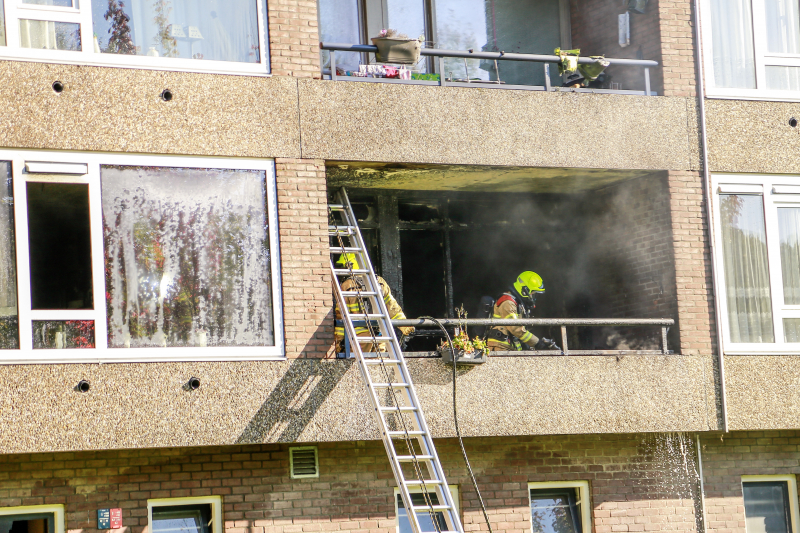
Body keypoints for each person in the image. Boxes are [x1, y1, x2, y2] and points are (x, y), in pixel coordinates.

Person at [334, 253, 414, 353]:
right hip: (380, 334)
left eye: (344, 266)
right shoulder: (379, 282)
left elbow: (341, 316)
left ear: (350, 265)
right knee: (378, 366)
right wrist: (405, 325)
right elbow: (392, 307)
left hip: (359, 338)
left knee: (357, 366)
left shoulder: (347, 285)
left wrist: (339, 344)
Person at [486, 271, 560, 352]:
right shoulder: (508, 302)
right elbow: (515, 328)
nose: (534, 298)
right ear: (524, 290)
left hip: (508, 348)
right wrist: (538, 343)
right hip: (500, 348)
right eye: (533, 294)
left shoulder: (517, 303)